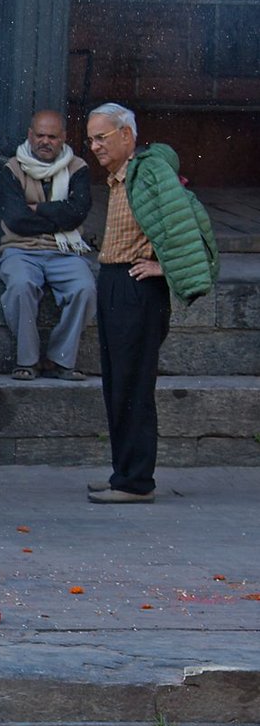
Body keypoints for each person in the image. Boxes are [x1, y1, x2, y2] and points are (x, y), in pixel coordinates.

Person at [83, 102, 219, 504]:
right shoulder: (121, 176)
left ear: (127, 135)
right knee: (117, 384)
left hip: (135, 287)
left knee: (133, 385)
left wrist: (165, 268)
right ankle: (122, 472)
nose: (94, 146)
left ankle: (136, 482)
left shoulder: (150, 171)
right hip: (113, 282)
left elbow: (183, 220)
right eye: (90, 139)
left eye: (101, 137)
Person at [0, 109, 96, 382]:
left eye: (52, 136)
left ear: (63, 138)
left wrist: (37, 208)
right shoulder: (12, 168)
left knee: (85, 288)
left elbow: (78, 212)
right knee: (20, 286)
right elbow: (16, 220)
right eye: (40, 135)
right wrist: (59, 216)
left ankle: (60, 360)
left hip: (65, 251)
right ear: (30, 135)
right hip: (20, 249)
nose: (45, 141)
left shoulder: (78, 168)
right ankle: (26, 361)